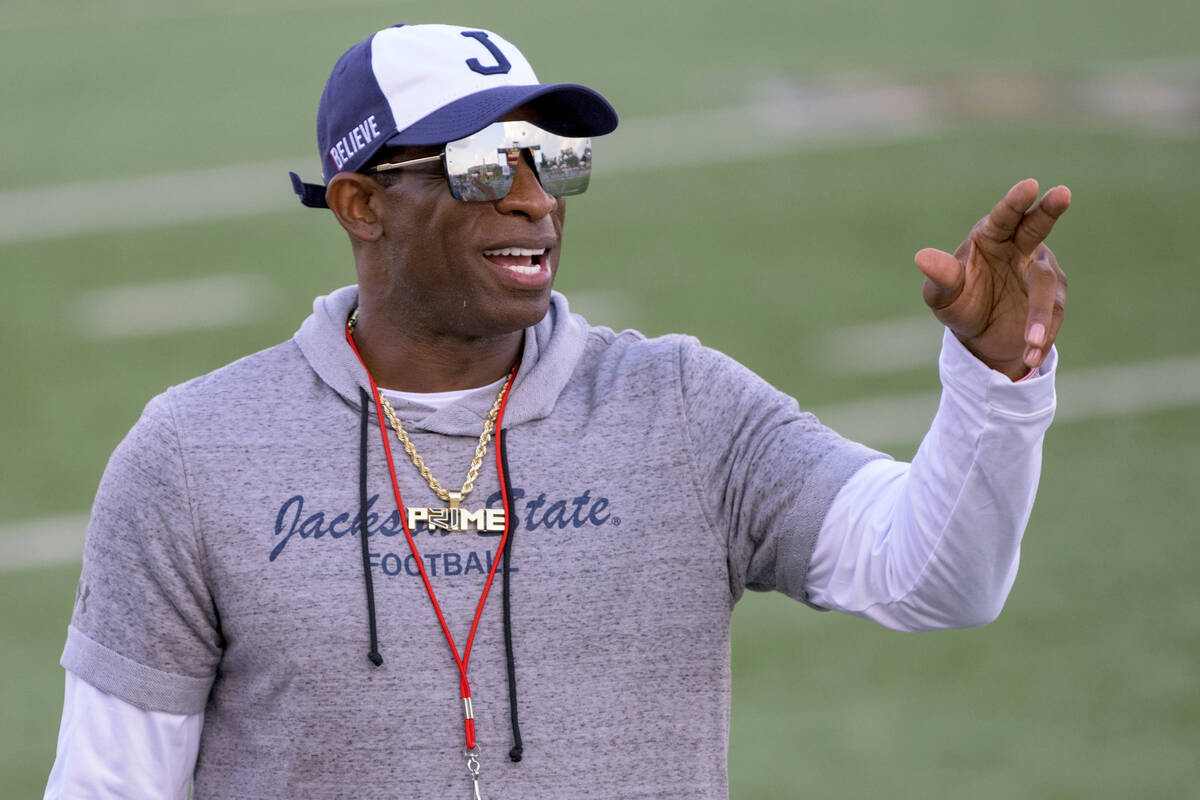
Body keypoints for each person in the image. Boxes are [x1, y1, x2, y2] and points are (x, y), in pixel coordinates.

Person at [45, 22, 1069, 800]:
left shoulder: (684, 407)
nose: (535, 199)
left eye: (554, 161)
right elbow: (107, 783)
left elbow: (940, 578)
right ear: (362, 204)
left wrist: (994, 380)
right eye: (486, 165)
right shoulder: (192, 454)